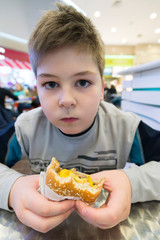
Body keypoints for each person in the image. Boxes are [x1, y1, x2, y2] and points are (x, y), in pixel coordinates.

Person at [0, 3, 160, 233]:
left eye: (83, 82)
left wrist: (132, 183)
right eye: (51, 84)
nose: (66, 100)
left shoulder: (126, 129)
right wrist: (11, 188)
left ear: (102, 89)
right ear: (37, 89)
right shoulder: (25, 129)